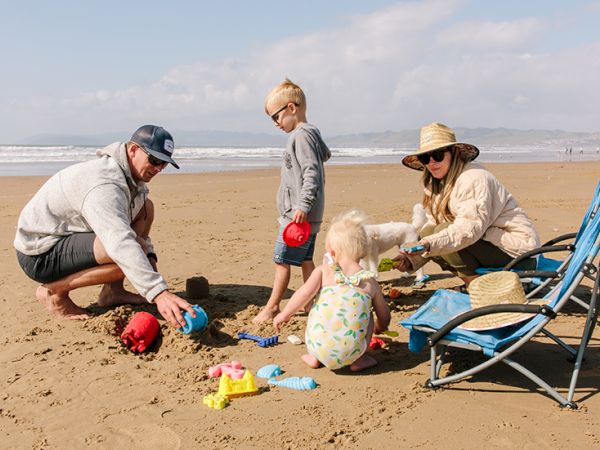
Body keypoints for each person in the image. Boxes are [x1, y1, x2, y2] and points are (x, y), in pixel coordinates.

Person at [14, 125, 195, 328]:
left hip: (67, 236)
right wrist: (159, 294)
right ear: (133, 150)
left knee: (146, 210)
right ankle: (53, 292)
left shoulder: (133, 180)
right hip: (39, 252)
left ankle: (112, 292)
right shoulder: (105, 185)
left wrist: (153, 268)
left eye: (164, 164)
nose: (158, 168)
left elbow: (138, 240)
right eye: (154, 160)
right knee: (129, 254)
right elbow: (120, 243)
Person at [393, 122, 540, 289]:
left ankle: (482, 287)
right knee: (429, 232)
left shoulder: (473, 178)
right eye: (426, 158)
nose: (432, 162)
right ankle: (476, 283)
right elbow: (432, 228)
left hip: (518, 254)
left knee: (441, 233)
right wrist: (412, 258)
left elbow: (468, 230)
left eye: (438, 155)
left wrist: (428, 243)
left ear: (454, 153)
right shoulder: (437, 184)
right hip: (487, 243)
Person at [253, 78, 331, 323]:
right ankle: (310, 304)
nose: (276, 124)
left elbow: (311, 172)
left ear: (291, 108)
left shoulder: (300, 136)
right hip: (308, 214)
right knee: (306, 260)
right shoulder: (311, 134)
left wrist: (302, 205)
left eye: (276, 117)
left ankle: (273, 307)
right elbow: (324, 156)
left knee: (281, 260)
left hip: (297, 216)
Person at [273, 209, 391, 371]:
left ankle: (313, 357)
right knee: (368, 313)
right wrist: (380, 326)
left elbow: (303, 294)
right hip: (352, 351)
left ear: (332, 253)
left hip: (318, 346)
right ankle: (359, 359)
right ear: (363, 252)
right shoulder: (369, 281)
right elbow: (384, 315)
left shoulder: (324, 271)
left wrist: (285, 314)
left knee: (321, 306)